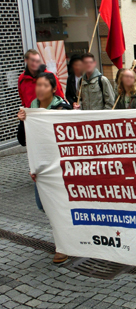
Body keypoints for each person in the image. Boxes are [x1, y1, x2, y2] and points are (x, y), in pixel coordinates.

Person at [17, 72, 71, 264]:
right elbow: (24, 141)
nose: (39, 89)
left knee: (56, 204)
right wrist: (23, 121)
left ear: (53, 89)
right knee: (43, 205)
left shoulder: (61, 108)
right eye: (38, 85)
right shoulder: (31, 108)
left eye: (44, 85)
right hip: (41, 167)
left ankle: (63, 246)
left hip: (58, 166)